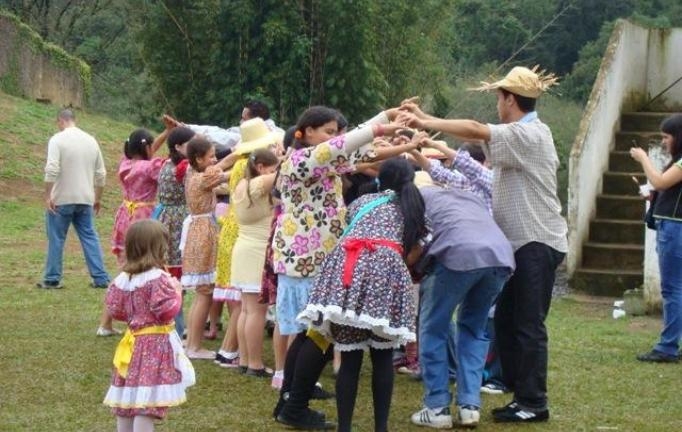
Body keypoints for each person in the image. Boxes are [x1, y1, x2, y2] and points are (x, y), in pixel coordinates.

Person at [400, 65, 568, 424]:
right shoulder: (522, 139)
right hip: (515, 246)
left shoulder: (529, 134)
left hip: (535, 241)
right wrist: (429, 147)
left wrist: (428, 119)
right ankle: (515, 393)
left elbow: (476, 131)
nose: (497, 104)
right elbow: (480, 176)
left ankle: (533, 402)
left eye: (498, 97)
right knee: (505, 322)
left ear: (509, 99)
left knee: (527, 323)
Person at [273, 105, 417, 430]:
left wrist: (386, 118)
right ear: (307, 131)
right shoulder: (300, 160)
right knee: (316, 335)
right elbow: (345, 146)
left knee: (316, 335)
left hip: (323, 258)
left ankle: (292, 403)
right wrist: (381, 126)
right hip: (306, 256)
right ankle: (292, 405)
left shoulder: (320, 159)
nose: (335, 137)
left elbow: (359, 150)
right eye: (328, 130)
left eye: (337, 131)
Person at [299, 157, 427, 432]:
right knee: (382, 357)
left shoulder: (360, 203)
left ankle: (344, 427)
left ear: (381, 178)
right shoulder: (412, 207)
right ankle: (381, 427)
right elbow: (419, 246)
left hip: (347, 270)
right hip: (386, 274)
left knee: (350, 357)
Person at [407, 149, 514, 428]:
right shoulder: (464, 195)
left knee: (433, 327)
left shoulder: (416, 198)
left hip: (459, 256)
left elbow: (420, 242)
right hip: (499, 257)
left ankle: (437, 407)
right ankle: (469, 407)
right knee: (473, 330)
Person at [103, 219, 195, 432]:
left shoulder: (123, 279)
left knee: (129, 399)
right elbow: (165, 311)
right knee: (147, 403)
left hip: (133, 344)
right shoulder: (158, 278)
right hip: (154, 347)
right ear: (158, 248)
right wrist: (177, 293)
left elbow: (115, 309)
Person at [181, 135, 239, 359]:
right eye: (211, 156)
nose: (215, 160)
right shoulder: (202, 178)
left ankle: (192, 344)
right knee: (205, 292)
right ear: (198, 158)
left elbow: (222, 167)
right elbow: (226, 171)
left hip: (198, 230)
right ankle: (195, 347)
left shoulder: (192, 173)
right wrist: (243, 161)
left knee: (201, 292)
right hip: (204, 232)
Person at [630, 113, 682, 363]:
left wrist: (643, 158)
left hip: (674, 229)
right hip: (671, 225)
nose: (663, 142)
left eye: (666, 137)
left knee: (672, 289)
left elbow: (661, 182)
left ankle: (667, 346)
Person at [38, 108, 110, 290]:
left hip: (62, 197)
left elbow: (52, 168)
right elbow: (101, 173)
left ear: (60, 121)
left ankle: (52, 278)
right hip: (85, 198)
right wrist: (97, 197)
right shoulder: (91, 141)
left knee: (56, 238)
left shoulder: (57, 139)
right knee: (89, 237)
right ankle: (100, 277)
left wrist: (48, 195)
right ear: (74, 120)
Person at [233, 148, 280, 377]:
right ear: (260, 168)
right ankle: (255, 363)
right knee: (256, 312)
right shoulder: (257, 185)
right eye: (271, 169)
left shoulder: (242, 184)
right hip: (256, 252)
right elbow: (285, 173)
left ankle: (244, 359)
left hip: (244, 250)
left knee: (246, 309)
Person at [152, 126, 194, 337]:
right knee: (175, 273)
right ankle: (176, 322)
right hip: (177, 221)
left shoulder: (164, 163)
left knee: (168, 269)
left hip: (163, 217)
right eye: (190, 144)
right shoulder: (184, 167)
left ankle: (174, 320)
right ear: (178, 146)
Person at [112, 126, 171, 268]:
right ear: (147, 148)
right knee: (145, 248)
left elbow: (146, 152)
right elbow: (166, 165)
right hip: (143, 214)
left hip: (125, 213)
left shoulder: (125, 163)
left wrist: (166, 132)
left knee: (128, 248)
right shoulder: (151, 167)